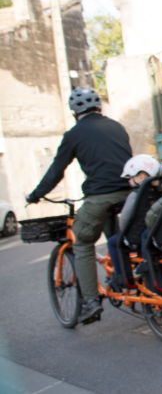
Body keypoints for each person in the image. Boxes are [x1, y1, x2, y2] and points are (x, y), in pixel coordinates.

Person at [26, 87, 133, 323]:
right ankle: (121, 277)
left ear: (75, 111)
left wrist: (35, 195)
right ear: (99, 106)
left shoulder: (74, 134)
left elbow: (56, 170)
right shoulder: (116, 126)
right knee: (121, 238)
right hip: (130, 194)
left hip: (100, 196)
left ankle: (90, 301)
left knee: (83, 242)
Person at [105, 154, 160, 290]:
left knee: (113, 242)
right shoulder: (159, 192)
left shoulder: (135, 195)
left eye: (130, 177)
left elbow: (124, 219)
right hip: (156, 233)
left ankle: (121, 277)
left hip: (135, 236)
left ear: (141, 177)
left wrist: (124, 233)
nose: (129, 181)